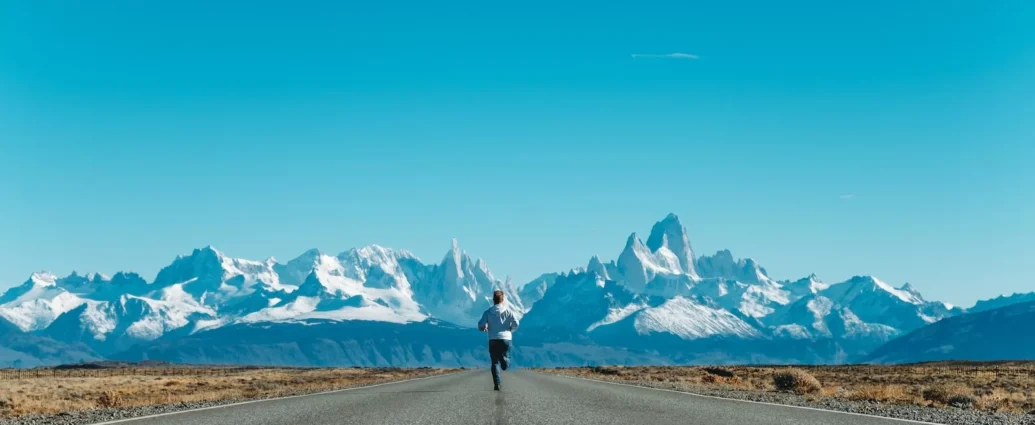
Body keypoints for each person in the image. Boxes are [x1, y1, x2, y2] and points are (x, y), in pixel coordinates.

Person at [477, 289, 519, 391]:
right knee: (506, 365)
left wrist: (484, 328)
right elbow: (516, 323)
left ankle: (497, 384)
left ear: (493, 300)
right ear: (503, 299)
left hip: (493, 339)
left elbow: (480, 325)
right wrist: (510, 330)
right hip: (506, 339)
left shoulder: (487, 312)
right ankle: (503, 359)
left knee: (494, 363)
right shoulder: (509, 312)